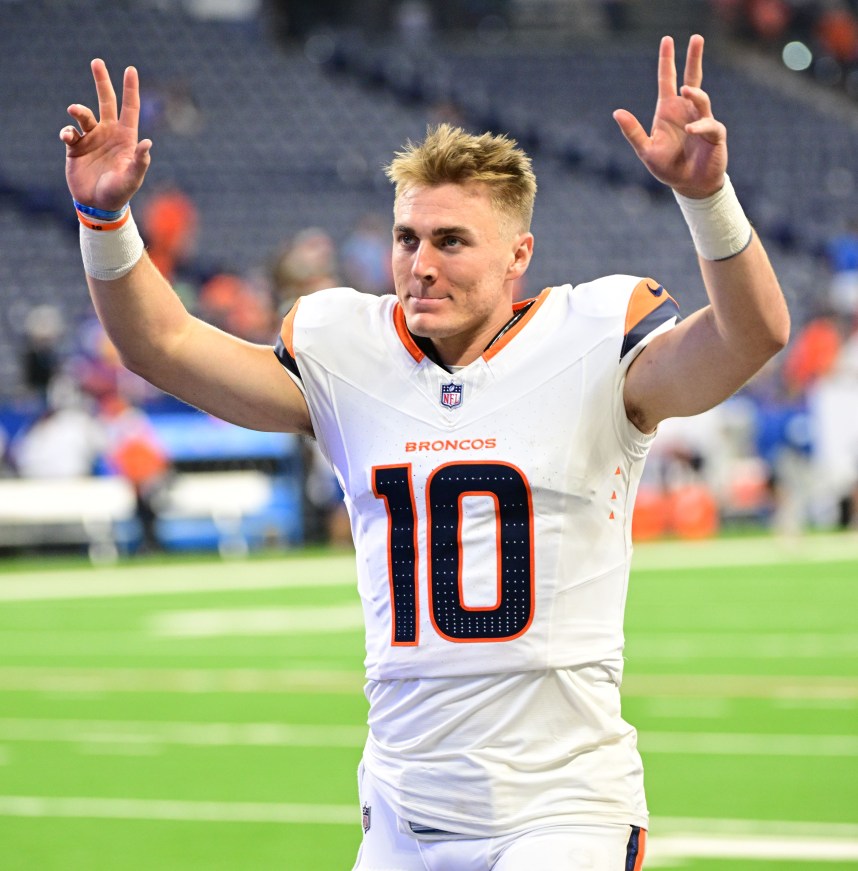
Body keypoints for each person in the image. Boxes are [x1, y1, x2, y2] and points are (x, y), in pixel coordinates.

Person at [60, 34, 789, 870]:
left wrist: (708, 199)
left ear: (519, 254)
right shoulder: (348, 349)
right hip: (404, 812)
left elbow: (752, 334)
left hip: (563, 807)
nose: (420, 266)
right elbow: (161, 345)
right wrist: (105, 221)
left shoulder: (592, 338)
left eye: (451, 241)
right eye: (408, 238)